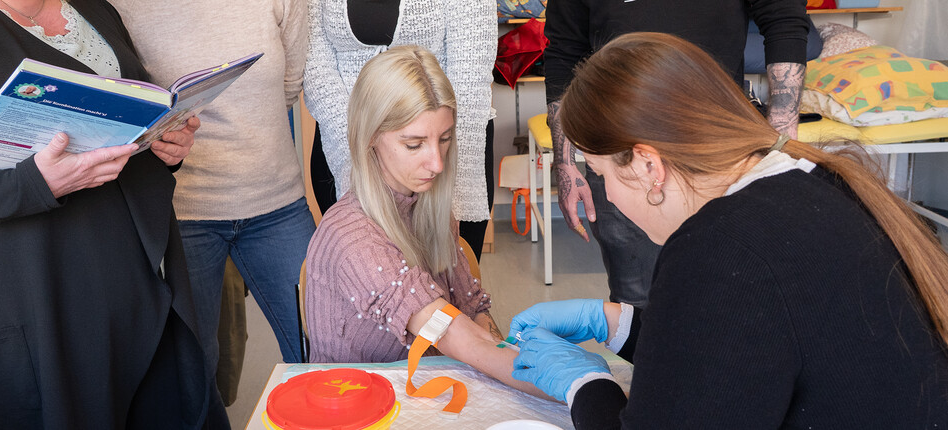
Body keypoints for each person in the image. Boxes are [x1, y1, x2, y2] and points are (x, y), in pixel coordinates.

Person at [509, 33, 948, 428]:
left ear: (648, 165)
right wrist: (619, 324)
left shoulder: (721, 248)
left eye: (601, 173)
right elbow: (740, 351)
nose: (610, 198)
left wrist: (583, 383)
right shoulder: (815, 180)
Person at [0, 0, 228, 428]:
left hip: (137, 295)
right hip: (27, 310)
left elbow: (119, 133)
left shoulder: (94, 9)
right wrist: (30, 185)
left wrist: (163, 145)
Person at [304, 46, 547, 400]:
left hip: (418, 392)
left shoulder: (428, 209)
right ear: (370, 136)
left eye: (444, 139)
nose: (436, 163)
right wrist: (558, 381)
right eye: (415, 144)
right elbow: (444, 329)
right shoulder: (351, 237)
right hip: (353, 408)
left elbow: (471, 309)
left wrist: (515, 353)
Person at [544, 0, 810, 308]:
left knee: (730, 296)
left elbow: (784, 18)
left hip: (714, 148)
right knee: (637, 298)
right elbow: (564, 51)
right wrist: (565, 163)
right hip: (621, 152)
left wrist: (782, 136)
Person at [112, 0, 314, 383]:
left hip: (278, 203)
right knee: (193, 370)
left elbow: (291, 83)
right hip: (182, 212)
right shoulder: (123, 6)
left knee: (319, 344)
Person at [303, 0, 496, 259]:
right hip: (342, 146)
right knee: (364, 280)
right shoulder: (355, 149)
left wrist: (441, 178)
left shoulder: (438, 159)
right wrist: (361, 155)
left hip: (446, 143)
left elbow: (470, 76)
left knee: (446, 279)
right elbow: (315, 64)